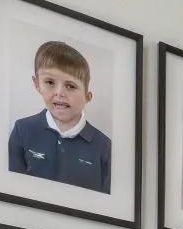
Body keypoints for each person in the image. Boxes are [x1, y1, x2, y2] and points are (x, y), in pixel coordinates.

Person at [8, 41, 111, 194]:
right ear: (37, 84)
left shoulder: (104, 147)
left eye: (70, 86)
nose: (59, 93)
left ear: (87, 96)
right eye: (50, 82)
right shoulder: (22, 130)